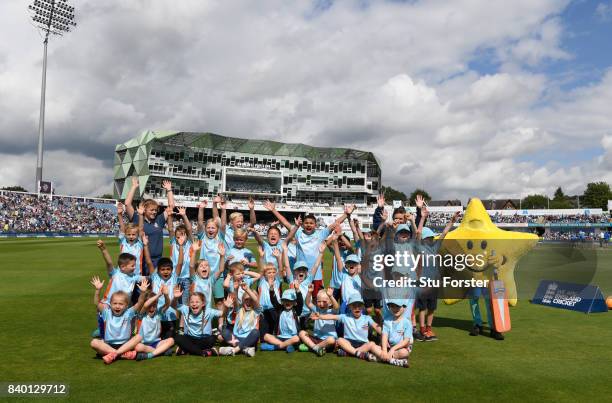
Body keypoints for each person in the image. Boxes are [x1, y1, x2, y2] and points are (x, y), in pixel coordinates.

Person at [265, 200, 354, 296]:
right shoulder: (299, 233)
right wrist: (273, 210)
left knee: (316, 300)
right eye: (306, 223)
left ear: (315, 225)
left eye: (311, 223)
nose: (308, 225)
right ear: (303, 225)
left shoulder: (320, 234)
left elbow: (335, 224)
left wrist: (346, 214)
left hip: (316, 276)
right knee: (299, 299)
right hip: (300, 275)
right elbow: (286, 223)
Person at [415, 210, 459, 342]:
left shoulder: (435, 247)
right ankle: (422, 330)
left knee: (432, 308)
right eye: (428, 238)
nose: (430, 240)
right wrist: (422, 218)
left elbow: (444, 234)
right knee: (422, 308)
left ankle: (429, 328)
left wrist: (452, 221)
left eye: (431, 238)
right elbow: (417, 233)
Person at [89, 276, 149, 364]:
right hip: (109, 344)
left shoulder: (128, 313)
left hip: (125, 345)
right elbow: (97, 303)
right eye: (115, 303)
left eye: (121, 304)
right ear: (110, 304)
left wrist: (143, 292)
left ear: (126, 305)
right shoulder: (107, 313)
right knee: (94, 342)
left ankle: (113, 354)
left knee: (139, 337)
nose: (117, 306)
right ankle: (122, 355)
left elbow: (140, 303)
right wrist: (97, 290)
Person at [124, 177, 175, 274]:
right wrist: (134, 187)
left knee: (155, 287)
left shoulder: (159, 220)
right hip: (140, 259)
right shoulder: (137, 217)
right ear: (145, 209)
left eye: (156, 210)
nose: (154, 212)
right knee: (141, 286)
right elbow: (127, 204)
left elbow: (171, 206)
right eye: (151, 210)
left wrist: (169, 190)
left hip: (157, 260)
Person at [311, 293, 382, 361]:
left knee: (372, 344)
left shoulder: (367, 318)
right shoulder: (345, 317)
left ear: (363, 307)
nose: (357, 308)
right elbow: (332, 316)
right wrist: (320, 316)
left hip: (363, 344)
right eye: (354, 306)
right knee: (340, 340)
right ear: (350, 307)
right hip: (348, 343)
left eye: (359, 305)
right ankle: (358, 353)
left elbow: (376, 327)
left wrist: (384, 334)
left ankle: (349, 353)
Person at [173, 287, 234, 357]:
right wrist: (175, 298)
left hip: (204, 339)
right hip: (189, 338)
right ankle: (203, 352)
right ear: (189, 304)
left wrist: (226, 307)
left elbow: (222, 314)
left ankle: (185, 349)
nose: (194, 304)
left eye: (197, 302)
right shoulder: (185, 309)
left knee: (212, 339)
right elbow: (173, 306)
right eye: (192, 302)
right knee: (178, 337)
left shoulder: (209, 311)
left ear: (203, 304)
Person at [219, 282, 262, 357]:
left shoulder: (256, 311)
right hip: (236, 338)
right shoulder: (239, 310)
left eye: (251, 300)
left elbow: (256, 300)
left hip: (249, 338)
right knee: (224, 331)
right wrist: (236, 289)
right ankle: (245, 349)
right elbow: (235, 300)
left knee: (256, 332)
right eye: (246, 300)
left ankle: (234, 350)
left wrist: (247, 289)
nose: (248, 302)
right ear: (242, 301)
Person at [134, 284, 176, 360]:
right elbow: (146, 305)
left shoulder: (158, 314)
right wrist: (158, 295)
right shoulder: (141, 315)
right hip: (144, 344)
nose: (152, 308)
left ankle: (150, 355)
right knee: (138, 347)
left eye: (154, 305)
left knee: (171, 340)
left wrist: (166, 295)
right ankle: (162, 352)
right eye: (151, 305)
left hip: (157, 343)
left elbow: (167, 304)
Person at [260, 287, 304, 352]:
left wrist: (297, 290)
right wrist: (271, 289)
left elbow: (300, 302)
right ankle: (286, 346)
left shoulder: (296, 311)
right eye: (285, 300)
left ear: (294, 302)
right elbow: (274, 301)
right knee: (266, 336)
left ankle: (274, 347)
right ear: (282, 302)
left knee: (297, 338)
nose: (287, 302)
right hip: (280, 337)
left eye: (290, 301)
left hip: (292, 337)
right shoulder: (280, 310)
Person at [299, 286, 339, 356]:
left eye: (324, 302)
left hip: (327, 341)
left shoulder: (332, 311)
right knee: (302, 333)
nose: (321, 304)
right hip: (316, 338)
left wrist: (331, 296)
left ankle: (311, 347)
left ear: (330, 303)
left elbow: (336, 307)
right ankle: (316, 348)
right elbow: (307, 303)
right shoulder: (316, 310)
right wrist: (309, 292)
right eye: (319, 301)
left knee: (331, 340)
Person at [167, 206, 194, 305]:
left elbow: (189, 229)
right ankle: (175, 319)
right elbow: (170, 229)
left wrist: (184, 215)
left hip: (187, 278)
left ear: (186, 236)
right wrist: (169, 216)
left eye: (183, 235)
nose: (180, 239)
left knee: (185, 302)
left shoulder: (190, 243)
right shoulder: (173, 242)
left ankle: (183, 320)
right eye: (178, 236)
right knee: (173, 301)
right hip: (174, 277)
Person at [379, 300, 412, 368]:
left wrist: (392, 349)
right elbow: (384, 336)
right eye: (392, 306)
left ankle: (381, 358)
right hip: (388, 347)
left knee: (404, 353)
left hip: (401, 348)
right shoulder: (387, 321)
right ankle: (394, 361)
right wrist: (384, 350)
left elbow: (406, 341)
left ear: (404, 307)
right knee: (373, 346)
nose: (395, 309)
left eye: (398, 306)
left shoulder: (407, 322)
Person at [116, 202, 144, 276]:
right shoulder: (123, 242)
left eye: (133, 234)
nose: (131, 236)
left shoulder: (139, 243)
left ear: (137, 235)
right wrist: (119, 214)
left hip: (136, 274)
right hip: (122, 274)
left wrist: (141, 215)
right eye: (128, 234)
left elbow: (141, 229)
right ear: (125, 235)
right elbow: (122, 228)